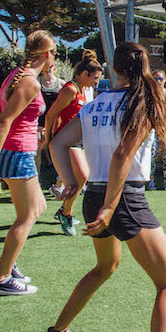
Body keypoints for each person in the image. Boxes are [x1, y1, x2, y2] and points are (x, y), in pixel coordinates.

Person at [46, 42, 166, 332]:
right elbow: (124, 153)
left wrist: (70, 184)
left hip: (97, 194)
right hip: (121, 197)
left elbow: (58, 142)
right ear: (143, 66)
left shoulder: (94, 103)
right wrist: (111, 207)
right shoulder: (141, 101)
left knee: (105, 267)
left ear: (114, 70)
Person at [0, 30, 55, 295]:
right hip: (17, 153)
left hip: (16, 152)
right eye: (54, 53)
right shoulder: (29, 81)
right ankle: (2, 278)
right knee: (27, 216)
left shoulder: (16, 74)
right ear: (47, 54)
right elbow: (4, 118)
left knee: (38, 207)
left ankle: (6, 262)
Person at [43, 53, 104, 235]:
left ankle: (65, 210)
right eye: (95, 77)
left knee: (81, 179)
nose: (96, 82)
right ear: (84, 73)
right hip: (66, 141)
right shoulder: (70, 89)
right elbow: (51, 114)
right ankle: (65, 213)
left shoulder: (82, 90)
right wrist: (49, 138)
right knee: (82, 177)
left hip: (78, 141)